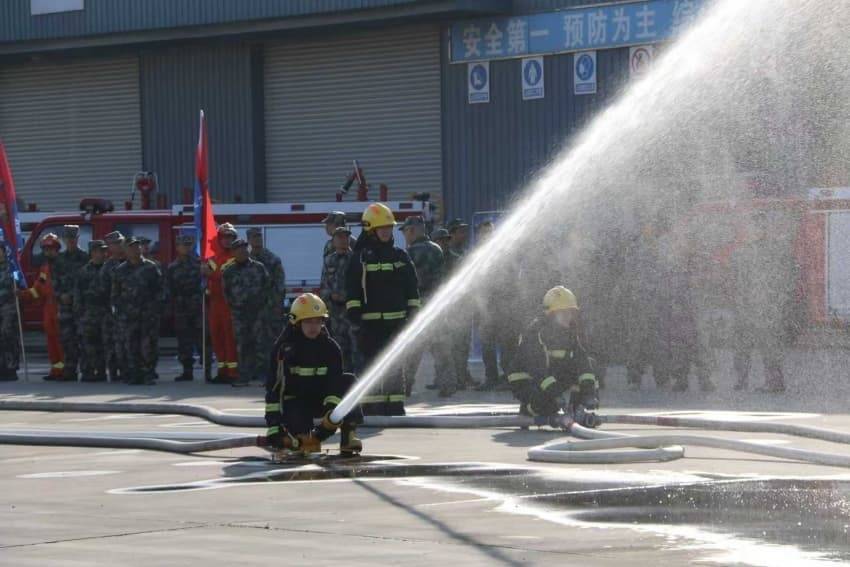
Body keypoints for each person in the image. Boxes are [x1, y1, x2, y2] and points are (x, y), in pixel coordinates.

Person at [265, 293, 363, 456]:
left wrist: (331, 414)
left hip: (322, 402)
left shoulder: (331, 348)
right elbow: (273, 389)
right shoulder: (284, 349)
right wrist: (274, 428)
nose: (314, 327)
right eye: (309, 321)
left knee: (349, 381)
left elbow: (335, 383)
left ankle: (349, 436)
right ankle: (301, 438)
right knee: (305, 448)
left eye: (318, 321)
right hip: (296, 403)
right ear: (296, 322)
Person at [346, 202, 420, 416]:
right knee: (371, 365)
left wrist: (413, 314)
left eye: (389, 228)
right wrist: (356, 317)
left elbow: (412, 288)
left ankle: (394, 406)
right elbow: (352, 290)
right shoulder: (360, 258)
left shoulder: (400, 256)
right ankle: (371, 407)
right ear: (370, 230)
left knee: (395, 365)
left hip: (396, 323)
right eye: (382, 228)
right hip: (370, 325)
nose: (387, 232)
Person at [506, 286, 600, 427]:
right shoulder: (536, 333)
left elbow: (582, 360)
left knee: (590, 365)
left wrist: (589, 393)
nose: (568, 317)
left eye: (570, 312)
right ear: (551, 315)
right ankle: (528, 410)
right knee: (547, 403)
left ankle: (576, 410)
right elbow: (538, 371)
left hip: (550, 377)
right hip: (526, 381)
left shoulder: (569, 333)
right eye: (563, 313)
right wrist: (556, 395)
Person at [731, 211, 800, 393]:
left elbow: (789, 279)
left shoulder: (776, 251)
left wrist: (779, 303)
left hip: (767, 309)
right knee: (744, 346)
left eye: (760, 226)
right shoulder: (744, 252)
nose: (757, 230)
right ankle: (743, 380)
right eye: (754, 226)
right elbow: (738, 281)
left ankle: (773, 382)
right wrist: (740, 303)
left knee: (769, 346)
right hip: (751, 308)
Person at [400, 216, 454, 396]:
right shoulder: (437, 249)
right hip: (437, 305)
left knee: (413, 349)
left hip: (418, 306)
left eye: (405, 232)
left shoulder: (410, 252)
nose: (405, 236)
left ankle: (406, 386)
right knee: (441, 347)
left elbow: (408, 281)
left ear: (412, 230)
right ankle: (447, 385)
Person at [111, 237, 163, 385]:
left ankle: (148, 373)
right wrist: (120, 311)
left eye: (137, 246)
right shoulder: (120, 270)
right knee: (130, 345)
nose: (135, 249)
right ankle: (134, 373)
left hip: (148, 314)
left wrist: (155, 307)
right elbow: (115, 294)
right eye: (131, 247)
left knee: (148, 345)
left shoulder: (151, 267)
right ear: (125, 251)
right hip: (128, 316)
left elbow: (161, 289)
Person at [223, 238, 270, 386]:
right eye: (238, 249)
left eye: (244, 248)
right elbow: (226, 292)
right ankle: (244, 376)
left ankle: (264, 376)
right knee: (243, 345)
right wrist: (235, 307)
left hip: (257, 312)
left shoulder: (259, 267)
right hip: (239, 314)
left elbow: (268, 287)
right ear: (233, 252)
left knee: (261, 343)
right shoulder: (229, 271)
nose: (242, 251)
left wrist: (264, 306)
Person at [474, 220, 514, 391]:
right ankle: (491, 378)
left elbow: (511, 281)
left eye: (490, 232)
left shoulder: (503, 254)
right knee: (487, 346)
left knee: (507, 346)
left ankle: (509, 378)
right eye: (484, 233)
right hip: (485, 309)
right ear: (478, 235)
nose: (487, 236)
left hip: (503, 308)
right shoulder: (476, 256)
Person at [19, 233, 65, 380]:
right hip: (49, 307)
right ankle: (56, 370)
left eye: (51, 249)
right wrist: (23, 294)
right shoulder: (44, 268)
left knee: (62, 339)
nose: (48, 252)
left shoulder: (63, 265)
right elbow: (38, 289)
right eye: (46, 249)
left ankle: (66, 369)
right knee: (51, 339)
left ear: (57, 249)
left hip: (61, 306)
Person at [165, 234, 209, 382]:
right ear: (177, 247)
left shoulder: (201, 264)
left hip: (198, 307)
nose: (186, 248)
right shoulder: (172, 267)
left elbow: (210, 281)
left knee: (203, 339)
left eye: (189, 245)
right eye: (183, 245)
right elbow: (169, 288)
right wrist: (170, 308)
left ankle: (207, 370)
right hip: (181, 308)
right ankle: (187, 371)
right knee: (184, 341)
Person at [201, 223, 239, 383]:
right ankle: (222, 371)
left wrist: (210, 273)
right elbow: (207, 273)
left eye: (230, 237)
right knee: (217, 338)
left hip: (228, 304)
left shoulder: (235, 257)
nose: (227, 240)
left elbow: (225, 276)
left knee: (230, 339)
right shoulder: (213, 257)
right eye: (224, 237)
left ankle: (233, 373)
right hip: (214, 304)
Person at [248, 227, 286, 381]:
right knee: (254, 340)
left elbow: (279, 285)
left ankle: (273, 371)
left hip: (270, 308)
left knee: (272, 340)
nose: (257, 239)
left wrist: (274, 305)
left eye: (259, 236)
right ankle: (256, 370)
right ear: (249, 240)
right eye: (254, 237)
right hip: (253, 309)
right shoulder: (246, 260)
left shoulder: (272, 259)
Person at [444, 218, 477, 389]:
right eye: (460, 231)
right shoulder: (448, 254)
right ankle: (455, 377)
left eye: (464, 231)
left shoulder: (464, 252)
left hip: (465, 304)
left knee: (464, 343)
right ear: (452, 234)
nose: (464, 234)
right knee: (454, 343)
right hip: (454, 306)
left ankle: (462, 374)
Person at [320, 226, 357, 371]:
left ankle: (358, 377)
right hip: (335, 313)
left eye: (346, 237)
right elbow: (324, 284)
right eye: (339, 237)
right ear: (333, 241)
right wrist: (330, 295)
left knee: (355, 346)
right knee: (339, 347)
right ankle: (342, 376)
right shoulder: (329, 260)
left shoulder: (356, 259)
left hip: (352, 311)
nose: (343, 240)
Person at [54, 224, 88, 381]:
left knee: (84, 338)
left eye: (73, 238)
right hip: (65, 306)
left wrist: (77, 296)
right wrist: (60, 295)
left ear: (78, 238)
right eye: (68, 238)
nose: (71, 241)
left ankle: (87, 369)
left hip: (82, 305)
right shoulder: (59, 259)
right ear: (63, 239)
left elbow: (89, 281)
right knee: (67, 338)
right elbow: (54, 282)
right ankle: (70, 369)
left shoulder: (85, 258)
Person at [74, 240, 109, 382]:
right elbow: (78, 293)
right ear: (93, 253)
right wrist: (78, 313)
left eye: (104, 251)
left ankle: (101, 371)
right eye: (99, 251)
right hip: (88, 312)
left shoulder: (110, 269)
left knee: (104, 343)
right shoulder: (83, 271)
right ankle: (87, 371)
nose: (103, 254)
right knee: (87, 343)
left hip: (105, 311)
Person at [101, 231, 127, 381]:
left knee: (128, 342)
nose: (117, 246)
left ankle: (127, 371)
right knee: (111, 342)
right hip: (111, 311)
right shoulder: (107, 266)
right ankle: (113, 372)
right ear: (109, 247)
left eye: (119, 243)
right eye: (114, 244)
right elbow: (101, 288)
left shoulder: (131, 262)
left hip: (129, 310)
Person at [0, 245, 21, 381]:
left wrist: (17, 284)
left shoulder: (12, 267)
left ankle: (11, 367)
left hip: (8, 306)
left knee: (8, 336)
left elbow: (18, 281)